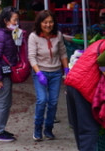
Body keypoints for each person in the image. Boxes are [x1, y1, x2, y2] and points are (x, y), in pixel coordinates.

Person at [65, 29, 105, 150]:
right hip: (84, 87)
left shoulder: (102, 42)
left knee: (80, 129)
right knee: (89, 129)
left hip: (72, 83)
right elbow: (102, 60)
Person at [28, 9, 68, 141]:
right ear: (40, 23)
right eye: (45, 22)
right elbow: (32, 57)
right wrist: (38, 72)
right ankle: (37, 129)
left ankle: (49, 129)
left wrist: (66, 70)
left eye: (51, 22)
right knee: (42, 100)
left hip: (56, 73)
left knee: (53, 102)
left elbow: (63, 53)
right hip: (41, 72)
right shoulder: (33, 37)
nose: (48, 25)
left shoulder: (58, 35)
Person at [0, 7, 21, 142]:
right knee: (2, 102)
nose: (16, 22)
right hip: (2, 73)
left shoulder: (7, 33)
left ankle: (0, 129)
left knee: (6, 102)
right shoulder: (0, 35)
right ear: (5, 20)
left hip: (6, 71)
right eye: (15, 20)